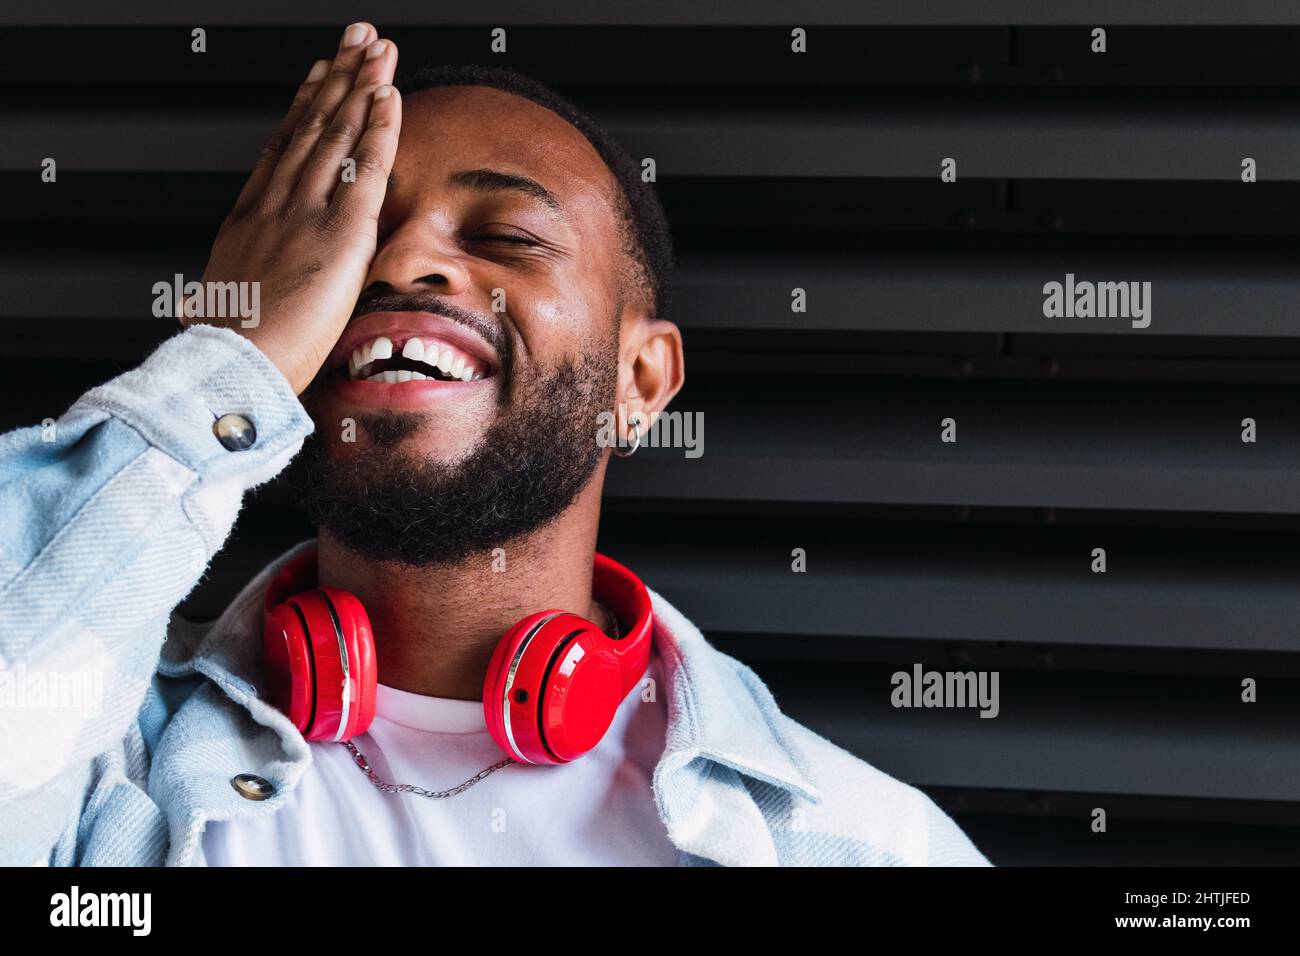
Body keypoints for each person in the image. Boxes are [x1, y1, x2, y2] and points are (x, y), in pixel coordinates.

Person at [0, 22, 989, 867]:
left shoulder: (870, 842)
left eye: (508, 236)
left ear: (638, 383)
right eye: (353, 236)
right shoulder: (98, 760)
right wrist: (237, 356)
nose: (401, 260)